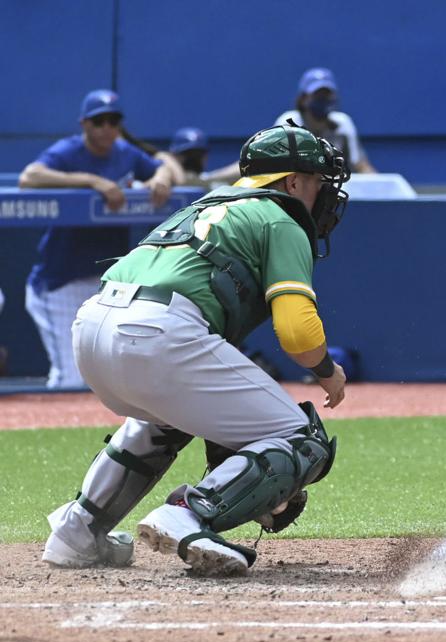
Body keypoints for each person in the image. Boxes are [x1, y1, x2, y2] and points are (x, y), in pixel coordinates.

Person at [40, 125, 351, 576]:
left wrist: (248, 475)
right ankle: (189, 512)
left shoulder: (206, 206)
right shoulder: (281, 217)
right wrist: (327, 372)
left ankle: (79, 530)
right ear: (293, 182)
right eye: (318, 181)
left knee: (164, 418)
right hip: (160, 331)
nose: (322, 193)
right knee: (304, 440)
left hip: (92, 326)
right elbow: (298, 334)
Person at [17, 89, 175, 389]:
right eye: (98, 121)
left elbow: (163, 167)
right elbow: (30, 177)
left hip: (106, 285)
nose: (106, 128)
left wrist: (161, 178)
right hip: (59, 283)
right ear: (84, 124)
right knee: (70, 380)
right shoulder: (69, 151)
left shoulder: (125, 152)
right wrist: (92, 181)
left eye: (113, 121)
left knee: (112, 378)